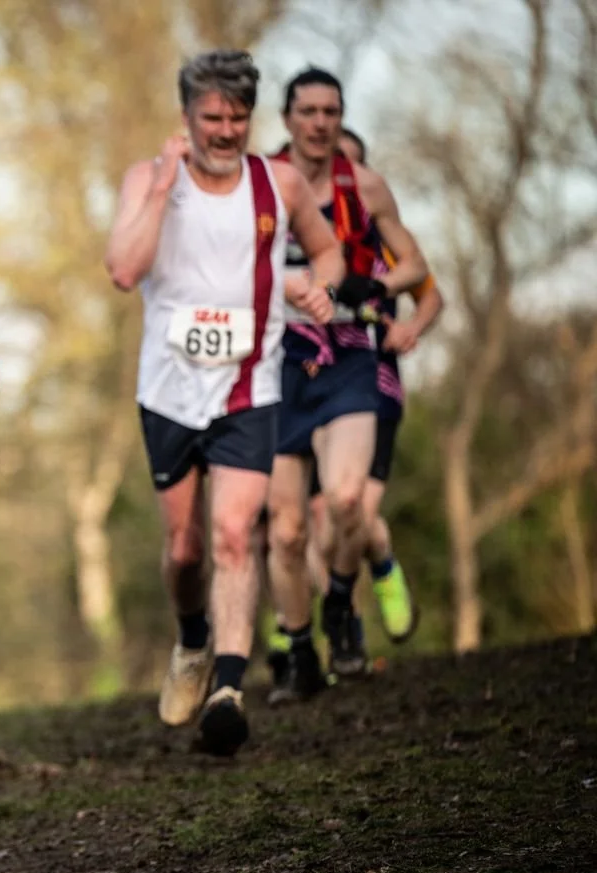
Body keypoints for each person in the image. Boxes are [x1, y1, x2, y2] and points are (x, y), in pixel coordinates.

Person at [105, 49, 343, 757]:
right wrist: (160, 188)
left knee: (238, 535)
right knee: (185, 551)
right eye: (212, 117)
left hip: (250, 386)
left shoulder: (282, 184)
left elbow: (328, 255)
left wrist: (313, 285)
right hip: (170, 392)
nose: (226, 130)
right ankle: (192, 641)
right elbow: (123, 269)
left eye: (238, 117)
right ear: (186, 116)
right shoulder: (150, 180)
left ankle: (229, 691)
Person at [264, 68, 429, 704]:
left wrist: (377, 287)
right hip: (278, 363)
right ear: (287, 119)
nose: (320, 122)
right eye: (307, 110)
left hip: (351, 361)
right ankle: (300, 650)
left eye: (331, 110)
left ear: (340, 117)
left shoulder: (364, 185)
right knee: (284, 531)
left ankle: (339, 606)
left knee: (349, 499)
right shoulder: (261, 183)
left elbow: (414, 263)